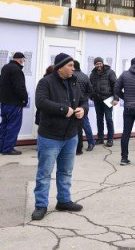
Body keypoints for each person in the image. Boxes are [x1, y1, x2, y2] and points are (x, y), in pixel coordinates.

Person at [32, 53, 87, 221]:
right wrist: (64, 109)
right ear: (60, 67)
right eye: (70, 65)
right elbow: (40, 102)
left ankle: (63, 201)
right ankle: (41, 205)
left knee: (66, 171)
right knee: (45, 173)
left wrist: (83, 110)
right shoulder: (46, 82)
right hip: (50, 136)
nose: (73, 68)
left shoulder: (75, 82)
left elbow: (84, 101)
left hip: (71, 136)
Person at [0, 52, 29, 155]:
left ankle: (2, 147)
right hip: (14, 103)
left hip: (4, 102)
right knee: (13, 125)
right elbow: (19, 87)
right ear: (20, 59)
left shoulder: (5, 67)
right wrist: (24, 99)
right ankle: (8, 148)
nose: (23, 62)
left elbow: (1, 81)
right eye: (23, 60)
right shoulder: (16, 70)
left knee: (5, 124)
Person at [89, 57, 118, 147]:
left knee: (109, 119)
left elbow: (115, 85)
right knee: (99, 119)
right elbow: (90, 87)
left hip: (108, 99)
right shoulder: (92, 74)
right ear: (94, 65)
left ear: (102, 63)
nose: (99, 65)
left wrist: (116, 98)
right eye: (97, 64)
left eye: (100, 63)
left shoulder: (110, 72)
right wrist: (91, 96)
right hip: (97, 100)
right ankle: (100, 138)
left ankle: (110, 139)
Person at [73, 61, 95, 155]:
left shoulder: (70, 76)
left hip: (73, 103)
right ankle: (91, 142)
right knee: (85, 123)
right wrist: (85, 98)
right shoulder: (85, 76)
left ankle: (75, 146)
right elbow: (90, 90)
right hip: (82, 104)